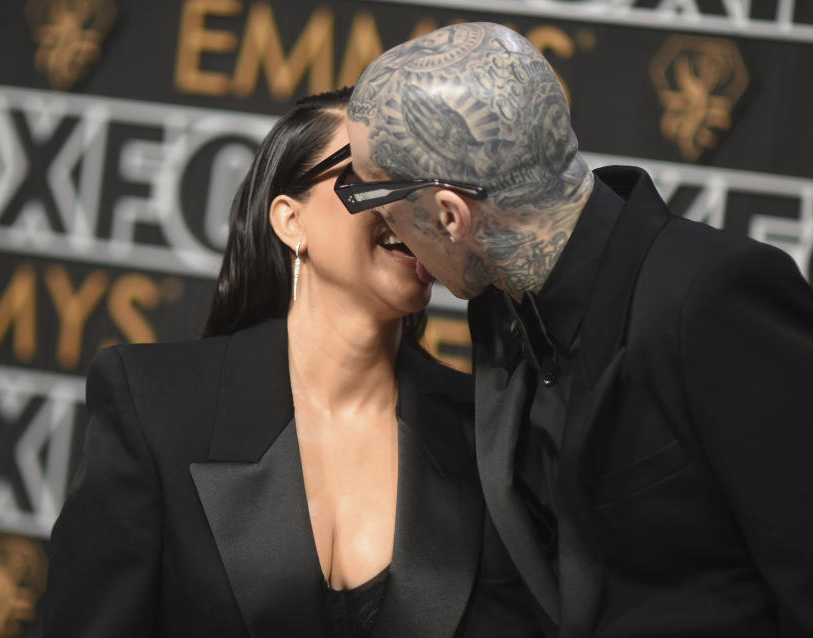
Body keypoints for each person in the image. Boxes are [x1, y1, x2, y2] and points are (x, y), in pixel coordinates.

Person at [337, 22, 813, 638]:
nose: (382, 222)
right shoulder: (501, 310)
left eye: (375, 193)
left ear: (450, 213)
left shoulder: (712, 296)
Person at [43, 87, 540, 638]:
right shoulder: (153, 403)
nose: (412, 205)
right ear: (290, 221)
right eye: (374, 176)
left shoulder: (485, 433)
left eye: (425, 184)